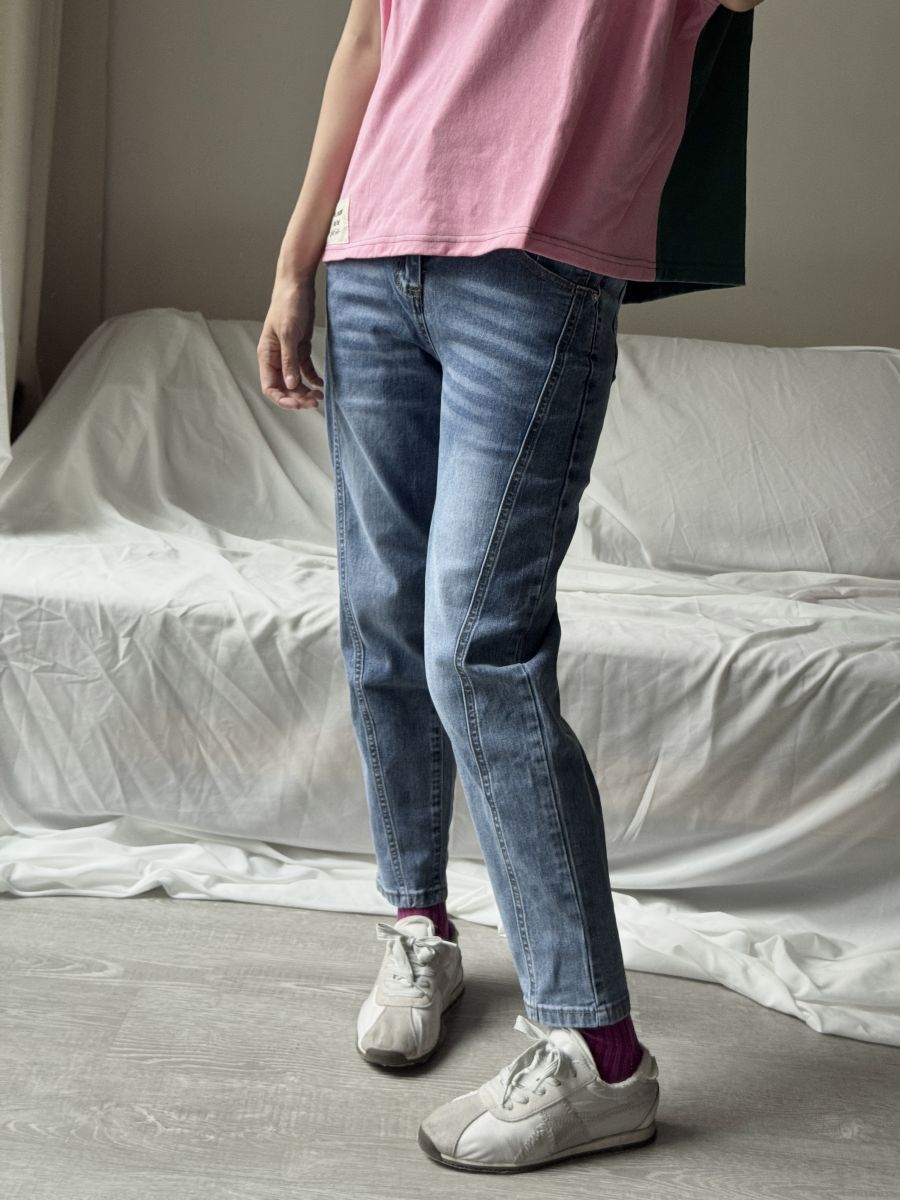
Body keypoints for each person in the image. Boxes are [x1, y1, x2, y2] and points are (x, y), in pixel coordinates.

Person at [258, 0, 762, 1173]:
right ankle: (418, 922)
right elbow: (370, 41)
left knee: (477, 648)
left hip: (537, 270)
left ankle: (601, 1053)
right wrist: (295, 262)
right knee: (382, 622)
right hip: (374, 250)